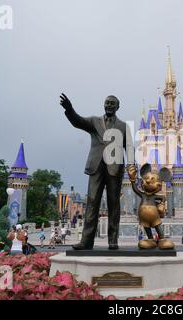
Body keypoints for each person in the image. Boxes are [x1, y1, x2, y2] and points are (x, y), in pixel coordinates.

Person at [60, 93, 134, 250]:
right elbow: (78, 121)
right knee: (92, 202)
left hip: (115, 168)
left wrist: (131, 165)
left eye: (112, 104)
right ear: (103, 105)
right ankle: (87, 241)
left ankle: (112, 240)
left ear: (118, 107)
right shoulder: (94, 121)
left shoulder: (123, 126)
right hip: (96, 167)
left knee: (114, 204)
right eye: (107, 103)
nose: (109, 105)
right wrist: (69, 109)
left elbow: (129, 147)